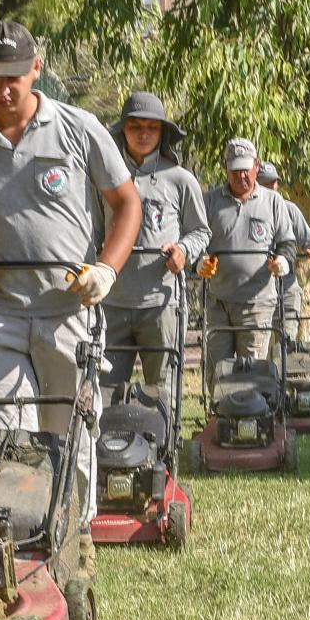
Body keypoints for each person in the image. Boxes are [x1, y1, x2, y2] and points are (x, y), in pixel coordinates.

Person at [0, 19, 139, 436]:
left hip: (69, 309)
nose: (3, 88)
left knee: (73, 442)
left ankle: (72, 506)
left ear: (36, 68)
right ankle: (17, 505)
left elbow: (125, 204)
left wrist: (107, 268)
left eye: (12, 76)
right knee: (9, 445)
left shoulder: (80, 129)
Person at [106, 90, 207, 396]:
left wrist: (184, 251)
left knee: (162, 392)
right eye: (135, 126)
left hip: (162, 303)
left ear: (162, 132)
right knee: (105, 391)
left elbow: (201, 232)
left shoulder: (180, 179)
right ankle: (104, 445)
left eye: (151, 127)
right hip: (112, 301)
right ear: (123, 130)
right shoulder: (104, 176)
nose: (143, 134)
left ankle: (164, 445)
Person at [200, 138, 293, 375]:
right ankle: (217, 411)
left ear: (256, 166)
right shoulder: (209, 201)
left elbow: (287, 243)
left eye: (246, 169)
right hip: (218, 301)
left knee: (250, 370)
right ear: (226, 169)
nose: (241, 176)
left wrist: (283, 260)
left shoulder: (273, 202)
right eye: (235, 170)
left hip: (257, 303)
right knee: (217, 368)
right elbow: (196, 239)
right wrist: (199, 261)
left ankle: (251, 412)